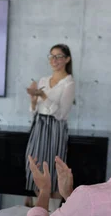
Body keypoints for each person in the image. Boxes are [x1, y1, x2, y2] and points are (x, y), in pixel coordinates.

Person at [25, 43, 76, 206]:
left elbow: (61, 114)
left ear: (67, 59)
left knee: (52, 169)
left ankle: (52, 211)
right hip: (39, 125)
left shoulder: (69, 83)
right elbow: (34, 110)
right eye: (51, 56)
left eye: (58, 56)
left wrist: (44, 95)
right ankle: (37, 207)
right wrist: (33, 100)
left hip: (55, 128)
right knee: (34, 163)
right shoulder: (44, 80)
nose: (54, 60)